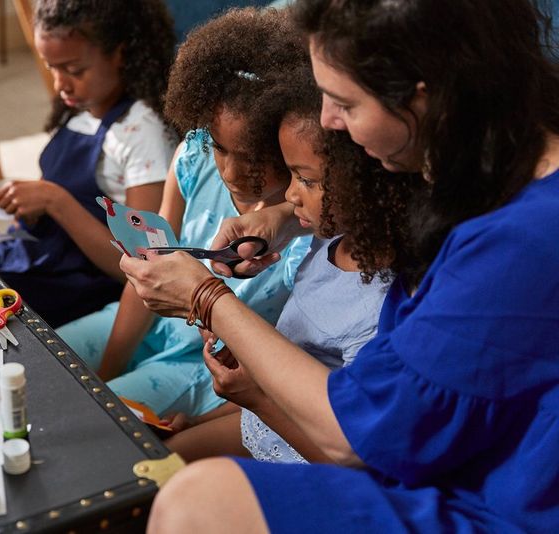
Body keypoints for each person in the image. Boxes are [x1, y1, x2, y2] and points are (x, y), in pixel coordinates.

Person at [120, 1, 559, 532]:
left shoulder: (518, 244)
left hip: (497, 504)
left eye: (344, 103)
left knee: (199, 502)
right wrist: (288, 215)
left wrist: (206, 300)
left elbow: (354, 438)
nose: (330, 119)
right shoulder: (494, 151)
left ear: (423, 95)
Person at [57, 8, 313, 417]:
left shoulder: (308, 230)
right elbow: (146, 273)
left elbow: (285, 371)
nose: (230, 172)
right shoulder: (192, 158)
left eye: (253, 158)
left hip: (203, 367)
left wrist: (199, 425)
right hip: (148, 320)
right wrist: (107, 372)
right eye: (220, 146)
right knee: (48, 363)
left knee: (90, 418)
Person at [166, 120, 422, 464]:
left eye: (306, 179)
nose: (289, 195)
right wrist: (198, 423)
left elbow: (351, 455)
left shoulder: (381, 308)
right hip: (261, 424)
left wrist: (254, 395)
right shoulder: (330, 240)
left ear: (369, 182)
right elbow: (286, 376)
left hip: (307, 459)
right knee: (160, 460)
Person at [0, 0, 177, 327]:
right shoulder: (82, 106)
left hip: (82, 283)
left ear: (120, 53)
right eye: (50, 68)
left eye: (74, 70)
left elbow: (148, 266)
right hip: (43, 254)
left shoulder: (142, 132)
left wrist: (56, 201)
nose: (60, 85)